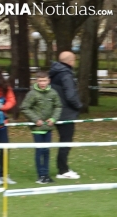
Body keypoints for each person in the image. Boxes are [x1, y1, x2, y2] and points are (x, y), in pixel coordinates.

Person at [20, 70, 62, 184]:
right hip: (37, 129)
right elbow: (25, 107)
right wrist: (35, 119)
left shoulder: (53, 93)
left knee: (47, 151)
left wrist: (53, 119)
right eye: (40, 81)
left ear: (48, 81)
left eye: (44, 80)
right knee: (39, 151)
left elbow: (58, 106)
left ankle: (46, 174)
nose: (42, 83)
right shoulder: (32, 94)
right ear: (36, 81)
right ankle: (41, 175)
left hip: (48, 128)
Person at [49, 51, 83, 179]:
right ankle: (63, 170)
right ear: (70, 61)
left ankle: (63, 168)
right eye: (74, 60)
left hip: (57, 111)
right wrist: (79, 106)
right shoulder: (66, 75)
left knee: (64, 141)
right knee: (66, 141)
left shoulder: (54, 73)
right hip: (66, 113)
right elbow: (70, 95)